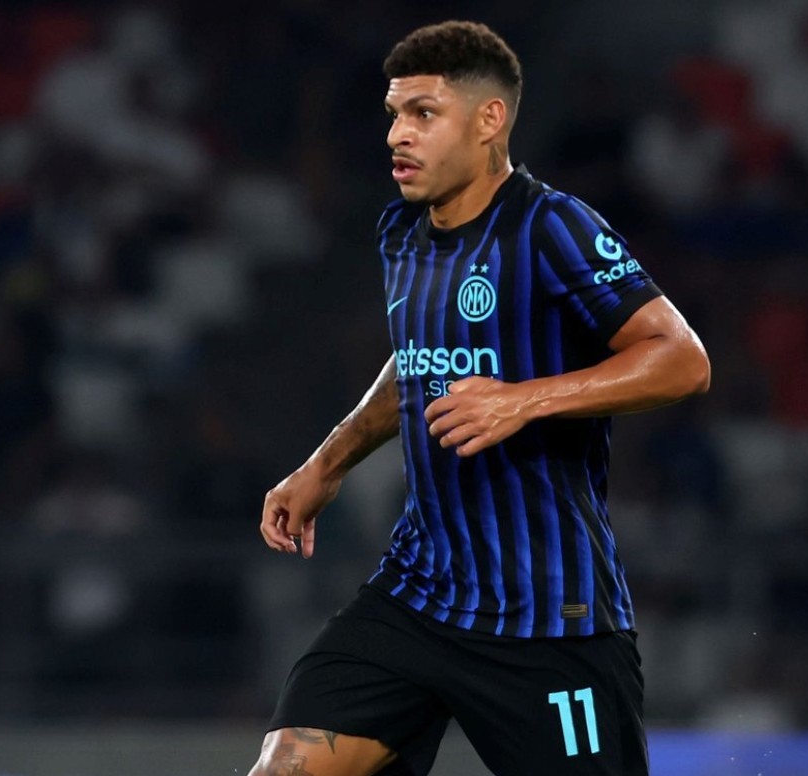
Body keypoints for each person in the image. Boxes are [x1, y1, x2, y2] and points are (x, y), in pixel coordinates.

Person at [249, 20, 710, 776]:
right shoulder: (402, 232)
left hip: (547, 616)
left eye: (423, 113)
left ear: (489, 119)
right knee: (289, 767)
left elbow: (682, 361)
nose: (397, 134)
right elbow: (418, 361)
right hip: (418, 596)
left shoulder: (551, 227)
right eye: (394, 114)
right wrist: (326, 464)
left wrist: (522, 400)